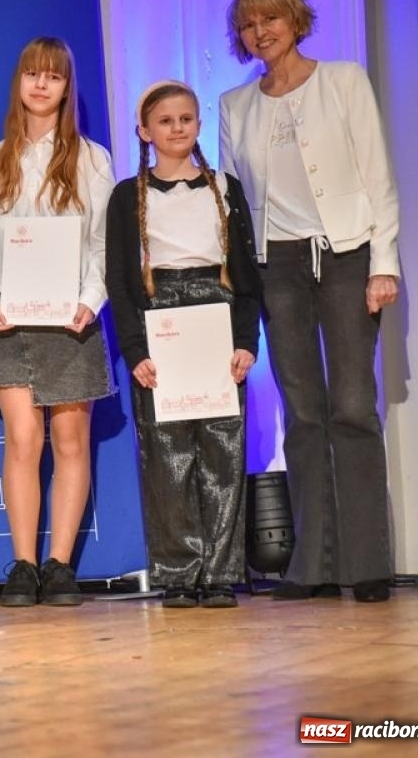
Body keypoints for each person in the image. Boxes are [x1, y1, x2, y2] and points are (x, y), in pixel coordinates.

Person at [218, 0, 400, 603]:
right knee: (302, 412)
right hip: (280, 268)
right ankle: (313, 567)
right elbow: (235, 203)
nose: (260, 31)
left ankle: (367, 562)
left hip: (347, 256)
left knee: (351, 405)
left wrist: (386, 263)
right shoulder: (234, 106)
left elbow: (378, 176)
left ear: (296, 20)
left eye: (270, 18)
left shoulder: (344, 81)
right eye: (248, 25)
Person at [0, 36, 115, 608]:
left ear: (67, 87)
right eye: (32, 73)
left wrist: (90, 299)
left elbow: (103, 244)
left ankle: (60, 565)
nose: (42, 84)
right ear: (19, 83)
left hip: (74, 319)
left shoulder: (92, 159)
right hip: (12, 321)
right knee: (23, 438)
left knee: (72, 438)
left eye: (53, 76)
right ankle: (23, 564)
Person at [106, 80, 261, 608]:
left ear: (198, 125)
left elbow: (246, 276)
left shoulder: (224, 187)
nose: (177, 128)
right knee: (167, 452)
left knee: (223, 447)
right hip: (159, 319)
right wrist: (135, 350)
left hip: (216, 316)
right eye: (166, 121)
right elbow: (121, 282)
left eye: (187, 119)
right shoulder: (128, 196)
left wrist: (246, 341)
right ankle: (177, 573)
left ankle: (219, 573)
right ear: (145, 131)